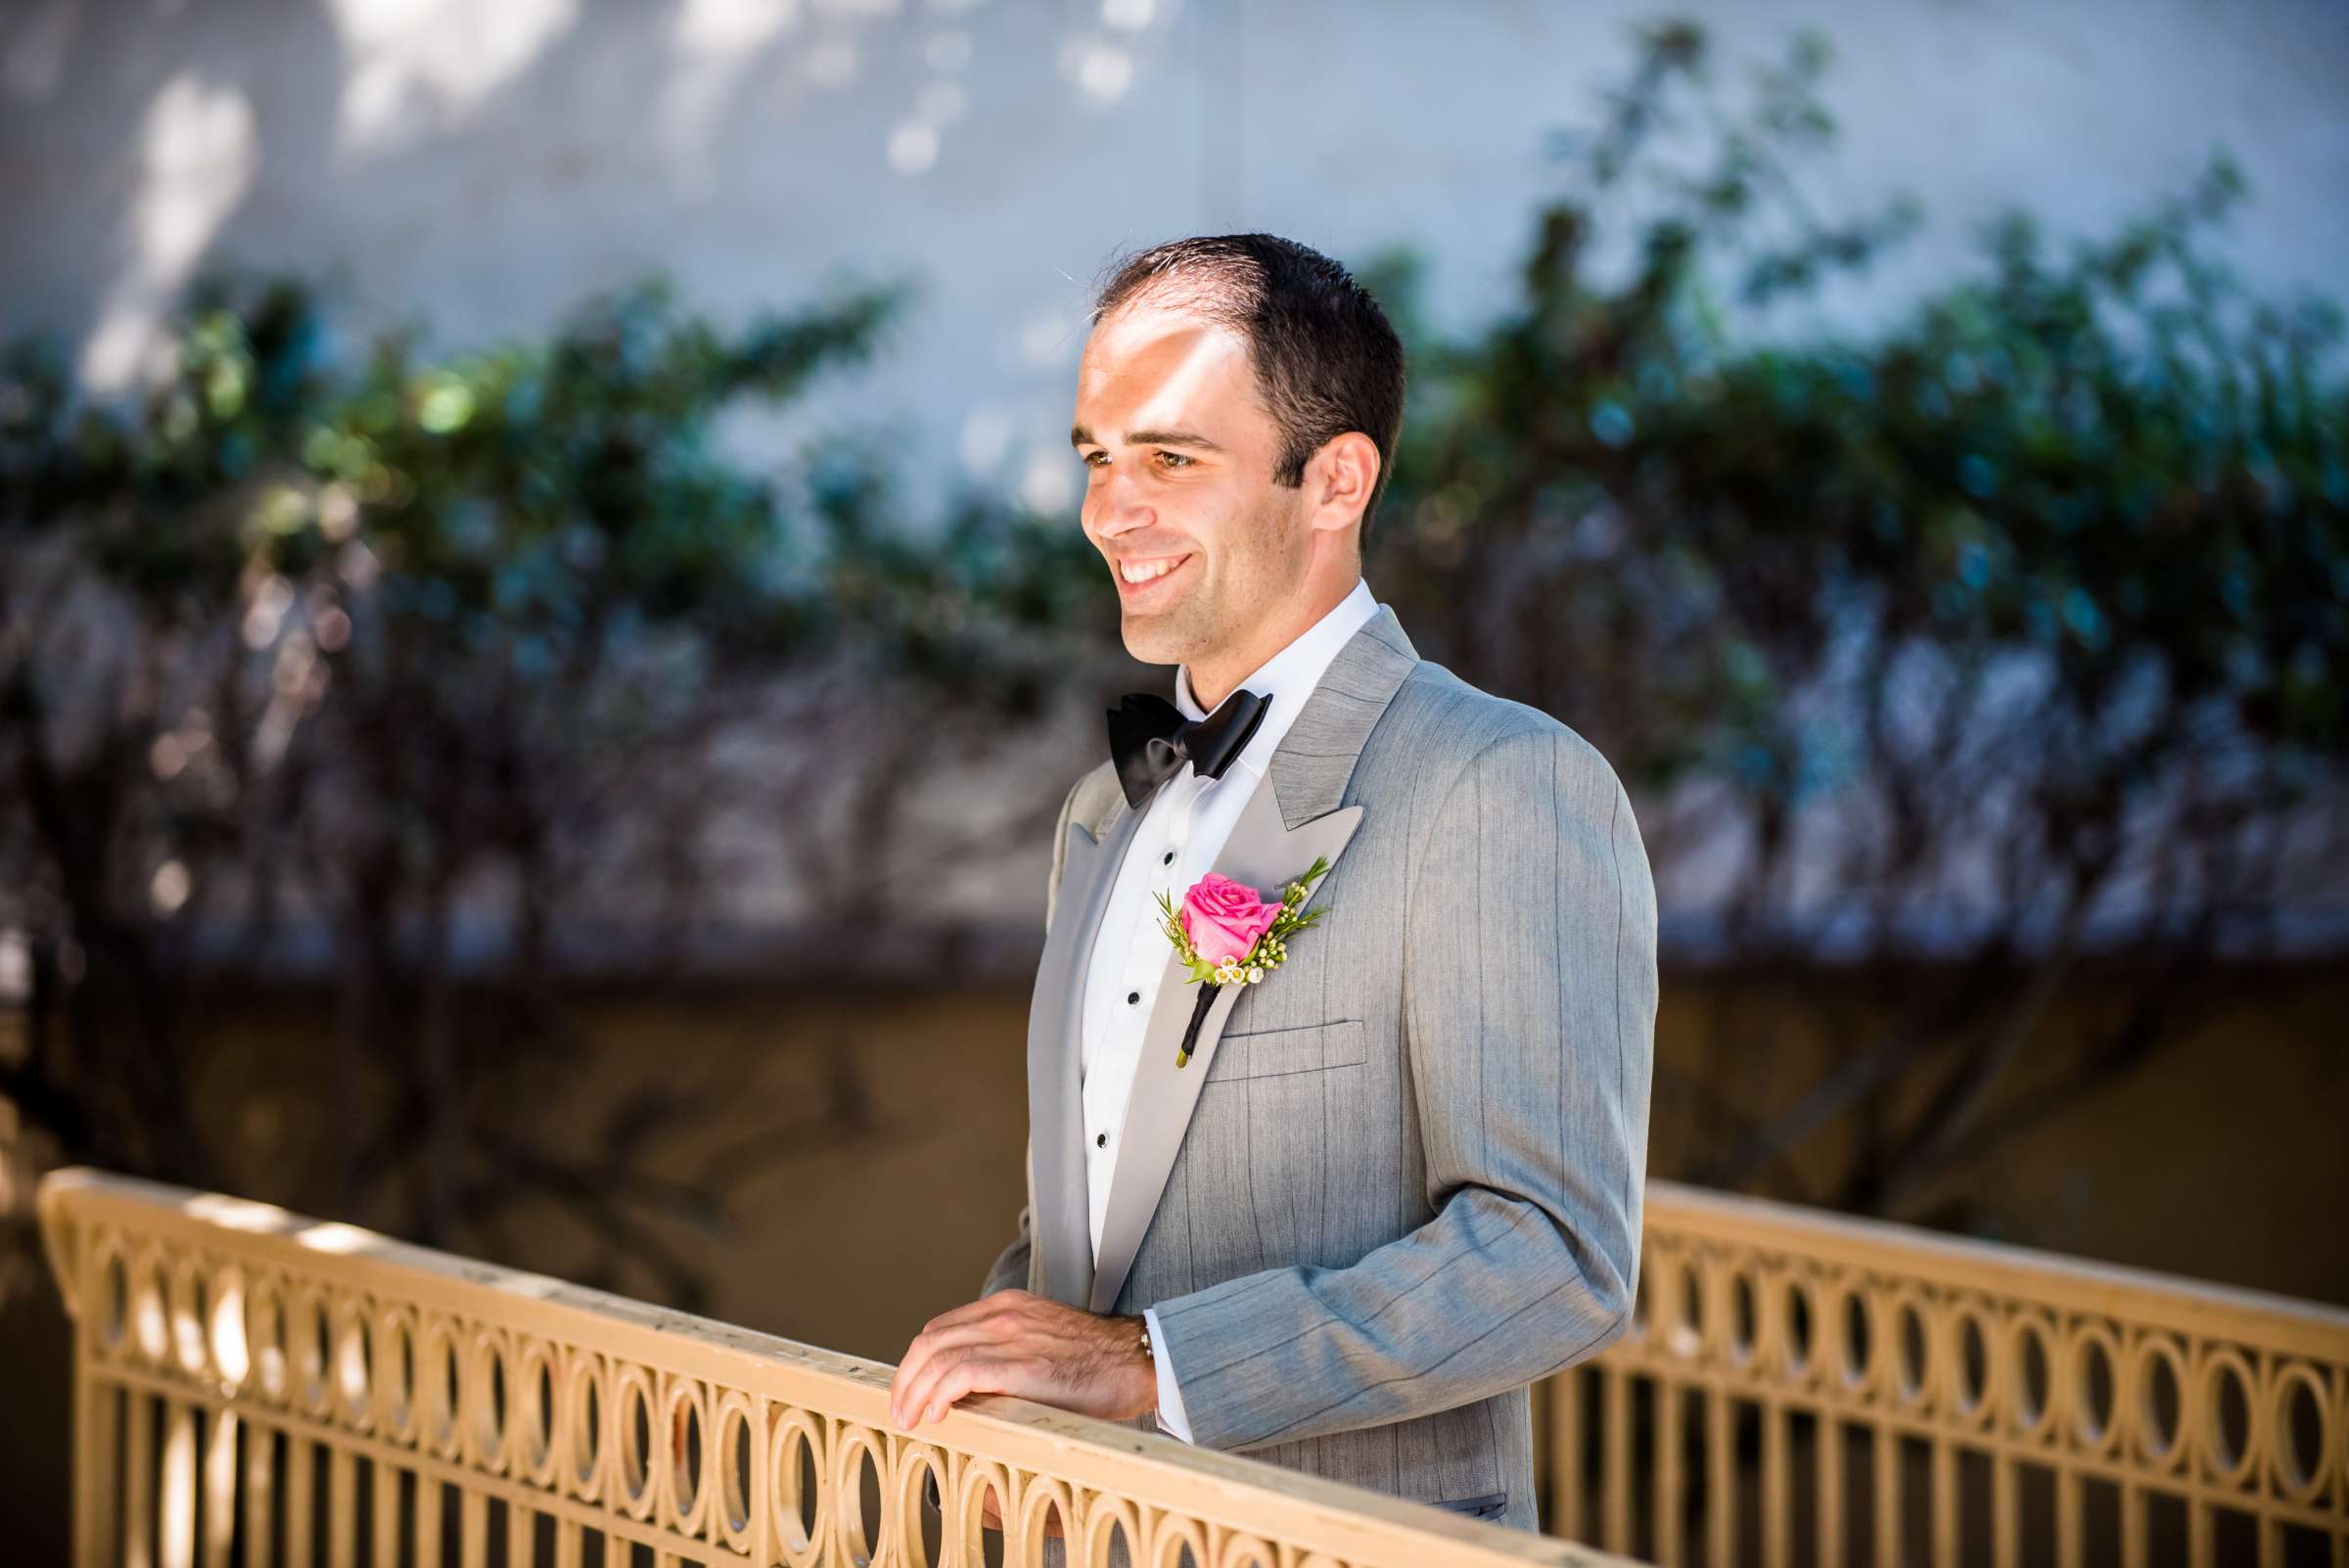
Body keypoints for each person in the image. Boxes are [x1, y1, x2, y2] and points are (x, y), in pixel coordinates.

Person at [888, 232, 1657, 1545]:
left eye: (1171, 459)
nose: (1109, 511)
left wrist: (1152, 1364)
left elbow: (1557, 1258)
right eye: (1097, 456)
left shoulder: (1500, 785)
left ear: (1337, 480)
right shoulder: (1099, 817)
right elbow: (1082, 1225)